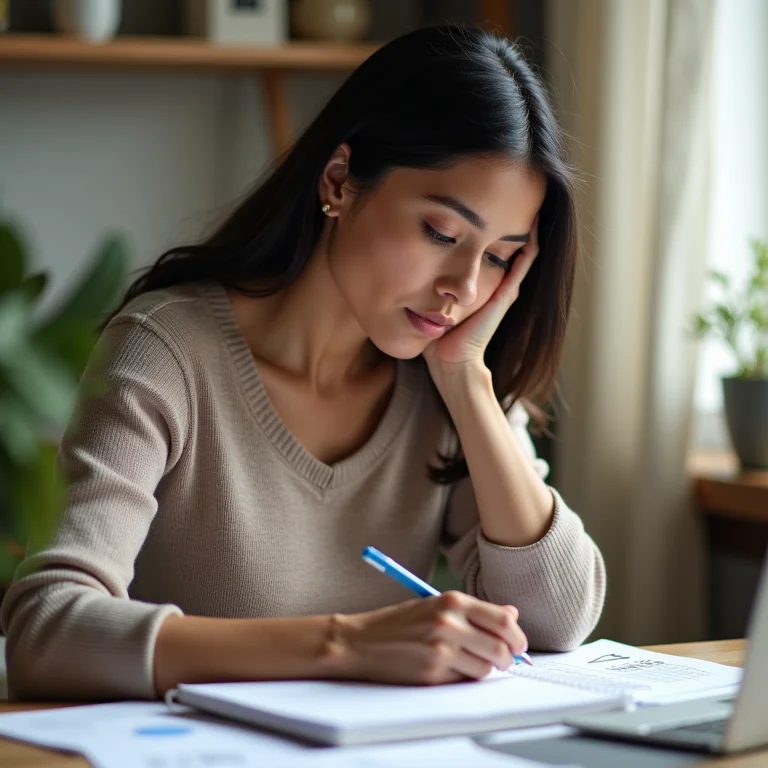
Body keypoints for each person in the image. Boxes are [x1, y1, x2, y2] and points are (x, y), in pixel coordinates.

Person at [2, 24, 605, 701]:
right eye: (441, 232)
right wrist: (344, 644)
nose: (464, 288)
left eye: (499, 256)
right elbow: (46, 631)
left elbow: (559, 619)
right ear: (341, 181)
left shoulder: (446, 377)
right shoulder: (167, 350)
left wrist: (468, 382)